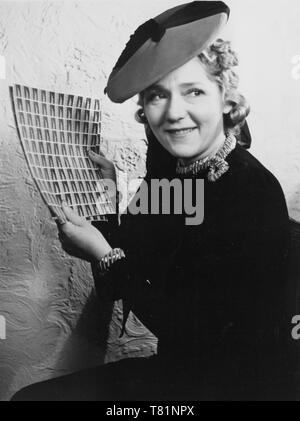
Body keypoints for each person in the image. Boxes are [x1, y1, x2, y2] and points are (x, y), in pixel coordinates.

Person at [12, 1, 293, 401]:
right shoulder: (173, 162)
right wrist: (109, 195)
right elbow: (143, 246)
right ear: (144, 110)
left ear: (226, 99)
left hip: (235, 386)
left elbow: (194, 329)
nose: (174, 113)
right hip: (183, 367)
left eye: (193, 91)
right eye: (158, 96)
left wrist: (103, 255)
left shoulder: (253, 192)